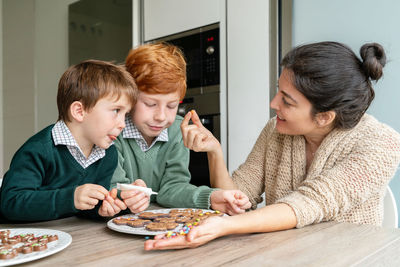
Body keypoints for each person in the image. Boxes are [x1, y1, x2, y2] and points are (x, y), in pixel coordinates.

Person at [144, 41, 400, 250]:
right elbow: (237, 200)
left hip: (349, 257)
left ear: (324, 117)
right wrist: (214, 152)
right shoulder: (276, 130)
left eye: (287, 101)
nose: (273, 103)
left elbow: (309, 203)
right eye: (278, 91)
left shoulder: (381, 144)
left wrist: (222, 227)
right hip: (284, 254)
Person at [110, 43, 251, 215]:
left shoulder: (176, 129)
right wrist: (124, 196)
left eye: (171, 105)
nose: (161, 116)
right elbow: (109, 186)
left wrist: (211, 197)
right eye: (150, 104)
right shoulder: (113, 129)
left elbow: (172, 188)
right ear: (129, 97)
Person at [0, 60, 137, 222]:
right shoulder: (38, 150)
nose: (122, 124)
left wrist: (104, 209)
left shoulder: (108, 154)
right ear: (79, 111)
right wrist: (71, 198)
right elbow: (11, 203)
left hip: (71, 236)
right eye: (116, 110)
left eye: (125, 114)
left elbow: (85, 209)